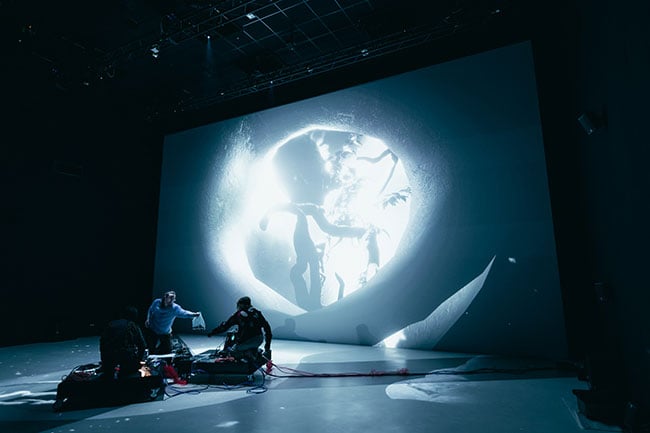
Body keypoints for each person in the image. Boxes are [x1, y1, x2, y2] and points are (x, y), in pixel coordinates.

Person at [207, 296, 272, 359]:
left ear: (241, 305)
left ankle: (249, 353)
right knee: (243, 344)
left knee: (232, 352)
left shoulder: (238, 315)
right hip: (259, 340)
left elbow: (224, 327)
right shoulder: (257, 313)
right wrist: (267, 346)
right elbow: (267, 328)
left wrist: (212, 332)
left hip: (248, 341)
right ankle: (255, 350)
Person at [144, 290, 200, 354]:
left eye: (173, 299)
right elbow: (150, 310)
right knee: (151, 348)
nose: (172, 300)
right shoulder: (157, 302)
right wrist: (148, 319)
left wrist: (194, 314)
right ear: (165, 297)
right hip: (153, 329)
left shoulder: (175, 308)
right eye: (170, 298)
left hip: (165, 332)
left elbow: (184, 313)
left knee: (167, 350)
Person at [99, 305, 147, 379]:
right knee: (128, 374)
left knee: (108, 375)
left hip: (109, 354)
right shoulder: (133, 325)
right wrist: (138, 361)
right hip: (126, 355)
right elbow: (142, 345)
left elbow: (102, 342)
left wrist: (104, 361)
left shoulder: (111, 324)